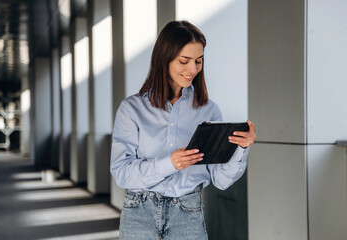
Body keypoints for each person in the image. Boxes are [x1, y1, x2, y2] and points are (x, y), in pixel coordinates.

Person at [110, 20, 256, 240]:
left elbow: (221, 180)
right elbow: (121, 173)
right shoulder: (131, 109)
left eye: (198, 61)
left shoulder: (209, 110)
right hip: (139, 212)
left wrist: (240, 149)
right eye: (184, 61)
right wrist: (169, 163)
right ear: (164, 59)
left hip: (187, 214)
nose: (193, 69)